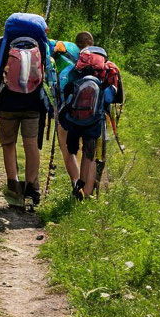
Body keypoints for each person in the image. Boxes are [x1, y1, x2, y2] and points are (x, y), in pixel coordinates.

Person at [0, 13, 52, 209]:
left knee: (8, 144)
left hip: (8, 103)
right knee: (31, 145)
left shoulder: (3, 45)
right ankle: (32, 187)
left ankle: (13, 186)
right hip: (33, 104)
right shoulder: (42, 46)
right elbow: (48, 76)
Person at [58, 43, 123, 200]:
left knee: (71, 149)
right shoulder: (107, 71)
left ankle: (76, 183)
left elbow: (64, 91)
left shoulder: (75, 70)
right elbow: (112, 98)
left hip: (74, 119)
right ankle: (86, 191)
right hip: (95, 120)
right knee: (90, 153)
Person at [51, 31, 93, 185]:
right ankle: (89, 186)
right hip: (91, 113)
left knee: (67, 148)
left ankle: (76, 183)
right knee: (88, 148)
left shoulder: (64, 47)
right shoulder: (97, 57)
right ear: (90, 42)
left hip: (67, 110)